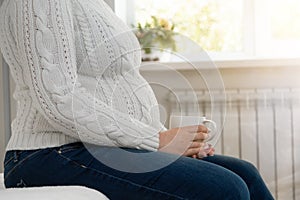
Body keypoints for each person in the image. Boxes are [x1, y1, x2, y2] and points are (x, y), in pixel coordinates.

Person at [0, 0, 274, 199]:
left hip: (97, 145)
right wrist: (156, 141)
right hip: (51, 153)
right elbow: (58, 97)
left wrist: (164, 139)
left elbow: (109, 90)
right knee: (225, 189)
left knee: (245, 174)